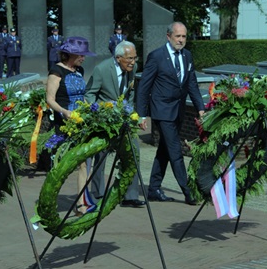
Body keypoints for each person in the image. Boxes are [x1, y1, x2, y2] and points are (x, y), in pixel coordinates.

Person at [136, 21, 205, 205]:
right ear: (169, 36)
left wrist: (200, 108)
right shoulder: (157, 56)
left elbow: (192, 84)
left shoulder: (187, 56)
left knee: (165, 149)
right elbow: (144, 86)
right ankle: (188, 191)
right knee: (175, 150)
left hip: (179, 110)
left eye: (184, 37)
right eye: (177, 36)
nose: (181, 40)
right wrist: (141, 115)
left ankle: (154, 189)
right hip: (162, 111)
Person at [85, 40, 146, 208]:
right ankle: (98, 194)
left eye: (135, 58)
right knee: (100, 157)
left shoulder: (131, 69)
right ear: (118, 58)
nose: (133, 62)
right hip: (104, 121)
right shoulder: (102, 69)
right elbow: (90, 93)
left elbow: (130, 94)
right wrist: (96, 114)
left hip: (124, 120)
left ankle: (130, 195)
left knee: (133, 152)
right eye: (129, 59)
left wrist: (135, 116)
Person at [45, 36, 96, 216]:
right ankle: (48, 202)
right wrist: (64, 112)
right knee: (62, 166)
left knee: (84, 163)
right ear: (71, 54)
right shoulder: (57, 71)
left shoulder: (79, 70)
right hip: (64, 124)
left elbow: (82, 95)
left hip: (80, 122)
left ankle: (82, 203)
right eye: (81, 55)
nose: (83, 58)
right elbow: (49, 99)